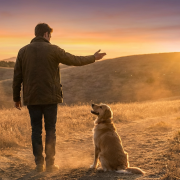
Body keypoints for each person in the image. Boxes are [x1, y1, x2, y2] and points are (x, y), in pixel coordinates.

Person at [12, 23, 106, 172]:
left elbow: (17, 77)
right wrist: (93, 57)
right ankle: (50, 164)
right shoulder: (53, 49)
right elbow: (74, 60)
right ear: (46, 34)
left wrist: (16, 98)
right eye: (50, 35)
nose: (50, 37)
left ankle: (38, 164)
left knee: (35, 130)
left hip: (32, 98)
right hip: (50, 97)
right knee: (50, 130)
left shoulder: (22, 51)